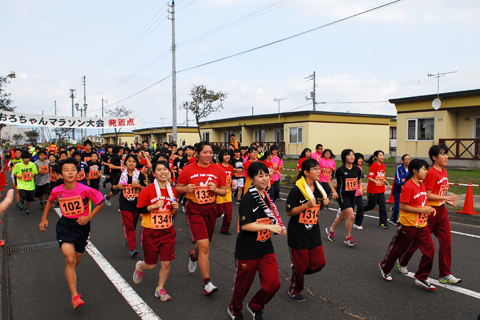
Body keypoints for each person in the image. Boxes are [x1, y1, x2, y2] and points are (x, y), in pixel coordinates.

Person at [39, 157, 104, 309]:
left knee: (76, 261)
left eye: (73, 170)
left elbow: (99, 202)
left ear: (78, 172)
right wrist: (44, 219)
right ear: (60, 174)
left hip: (82, 227)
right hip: (65, 226)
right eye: (66, 170)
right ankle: (75, 296)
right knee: (70, 259)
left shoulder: (85, 189)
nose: (70, 173)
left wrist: (88, 217)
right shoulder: (57, 190)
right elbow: (50, 201)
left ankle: (71, 272)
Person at [227, 162, 285, 320]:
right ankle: (234, 310)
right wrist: (271, 228)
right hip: (247, 250)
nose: (265, 178)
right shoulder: (247, 199)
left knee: (274, 283)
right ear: (251, 178)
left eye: (266, 175)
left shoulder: (266, 195)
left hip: (265, 248)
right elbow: (245, 225)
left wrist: (278, 226)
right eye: (260, 176)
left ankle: (255, 305)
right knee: (242, 286)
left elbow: (270, 217)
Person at [398, 145, 462, 284]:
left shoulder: (444, 172)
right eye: (443, 154)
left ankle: (445, 274)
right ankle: (402, 260)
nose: (446, 157)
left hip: (441, 211)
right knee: (417, 242)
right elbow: (426, 194)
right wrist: (446, 198)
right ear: (434, 157)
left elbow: (439, 192)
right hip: (429, 211)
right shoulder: (431, 173)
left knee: (446, 241)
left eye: (446, 154)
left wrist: (446, 201)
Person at [175, 142, 227, 295]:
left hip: (211, 209)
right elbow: (177, 188)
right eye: (205, 152)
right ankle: (207, 282)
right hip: (194, 209)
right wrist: (185, 189)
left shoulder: (218, 169)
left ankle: (193, 256)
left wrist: (215, 189)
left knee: (204, 243)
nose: (208, 155)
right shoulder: (188, 169)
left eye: (210, 152)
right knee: (204, 245)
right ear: (197, 153)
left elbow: (224, 191)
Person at [379, 159, 437, 290]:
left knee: (430, 250)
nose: (426, 172)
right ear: (415, 171)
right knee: (397, 249)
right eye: (424, 169)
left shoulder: (422, 185)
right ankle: (384, 267)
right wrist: (421, 210)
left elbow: (421, 203)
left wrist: (428, 208)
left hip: (422, 226)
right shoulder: (408, 186)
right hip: (408, 225)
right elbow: (402, 206)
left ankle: (422, 277)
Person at [133, 160, 178, 301]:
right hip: (150, 232)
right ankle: (140, 266)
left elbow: (171, 213)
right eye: (159, 170)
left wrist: (175, 209)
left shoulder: (172, 190)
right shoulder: (147, 190)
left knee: (166, 262)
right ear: (154, 173)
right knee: (151, 265)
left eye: (165, 169)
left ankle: (160, 288)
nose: (163, 172)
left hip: (167, 232)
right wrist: (152, 207)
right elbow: (138, 208)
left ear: (169, 172)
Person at [286, 158, 328, 302]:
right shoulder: (297, 189)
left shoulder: (320, 188)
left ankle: (298, 271)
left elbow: (317, 209)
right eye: (315, 168)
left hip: (313, 230)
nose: (318, 171)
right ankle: (295, 288)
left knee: (319, 263)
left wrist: (324, 203)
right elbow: (289, 211)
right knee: (301, 265)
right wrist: (305, 205)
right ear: (306, 172)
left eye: (318, 168)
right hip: (297, 232)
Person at [325, 149, 364, 246]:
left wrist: (360, 188)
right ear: (344, 157)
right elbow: (329, 180)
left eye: (353, 155)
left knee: (342, 216)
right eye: (349, 155)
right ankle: (348, 237)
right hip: (342, 195)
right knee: (351, 216)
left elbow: (359, 180)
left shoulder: (357, 169)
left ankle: (331, 229)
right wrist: (334, 191)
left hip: (352, 196)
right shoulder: (340, 169)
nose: (352, 157)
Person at [112, 154, 147, 257]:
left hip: (137, 203)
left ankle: (128, 237)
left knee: (134, 224)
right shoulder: (120, 175)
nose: (131, 163)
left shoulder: (140, 175)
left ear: (136, 163)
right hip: (124, 203)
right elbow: (113, 188)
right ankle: (132, 249)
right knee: (129, 226)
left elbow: (147, 189)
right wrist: (117, 186)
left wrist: (139, 186)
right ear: (125, 162)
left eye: (134, 162)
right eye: (129, 161)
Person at [363, 150, 391, 229]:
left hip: (381, 190)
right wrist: (376, 182)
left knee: (383, 206)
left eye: (383, 155)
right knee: (371, 206)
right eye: (380, 155)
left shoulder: (383, 166)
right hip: (373, 190)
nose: (382, 157)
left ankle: (383, 223)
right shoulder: (373, 166)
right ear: (376, 157)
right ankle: (360, 209)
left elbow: (382, 177)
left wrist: (387, 183)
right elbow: (370, 178)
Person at [216, 150, 235, 235]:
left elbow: (229, 177)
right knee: (218, 212)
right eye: (225, 155)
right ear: (221, 157)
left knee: (228, 213)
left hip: (228, 192)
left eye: (228, 155)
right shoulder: (217, 166)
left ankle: (225, 229)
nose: (227, 157)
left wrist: (232, 182)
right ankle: (206, 222)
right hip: (219, 192)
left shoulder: (231, 167)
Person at [13, 150, 38, 215]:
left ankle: (26, 209)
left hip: (30, 184)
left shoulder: (32, 164)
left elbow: (35, 172)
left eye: (27, 158)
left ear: (29, 158)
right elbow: (14, 173)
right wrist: (18, 176)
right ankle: (22, 202)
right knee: (23, 196)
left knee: (29, 198)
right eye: (24, 158)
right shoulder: (18, 165)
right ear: (22, 158)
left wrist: (33, 175)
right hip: (22, 184)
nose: (26, 160)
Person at [390, 154, 411, 225]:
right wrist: (403, 183)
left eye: (409, 159)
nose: (408, 161)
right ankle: (394, 219)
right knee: (398, 205)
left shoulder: (411, 169)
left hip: (407, 191)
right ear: (403, 161)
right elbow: (397, 179)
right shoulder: (399, 168)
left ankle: (404, 219)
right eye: (406, 159)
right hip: (398, 190)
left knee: (406, 205)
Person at [353, 153, 367, 230]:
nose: (361, 160)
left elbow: (359, 180)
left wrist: (361, 187)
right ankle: (342, 210)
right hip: (350, 191)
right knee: (350, 209)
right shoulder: (350, 168)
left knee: (361, 207)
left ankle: (357, 223)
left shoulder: (360, 169)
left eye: (362, 159)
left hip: (358, 191)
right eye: (359, 158)